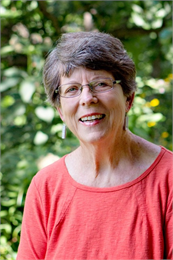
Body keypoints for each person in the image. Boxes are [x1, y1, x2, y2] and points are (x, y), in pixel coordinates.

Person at [17, 31, 172, 260]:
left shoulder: (168, 178)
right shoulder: (45, 187)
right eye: (71, 89)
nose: (87, 98)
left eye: (100, 83)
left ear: (128, 98)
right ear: (60, 111)